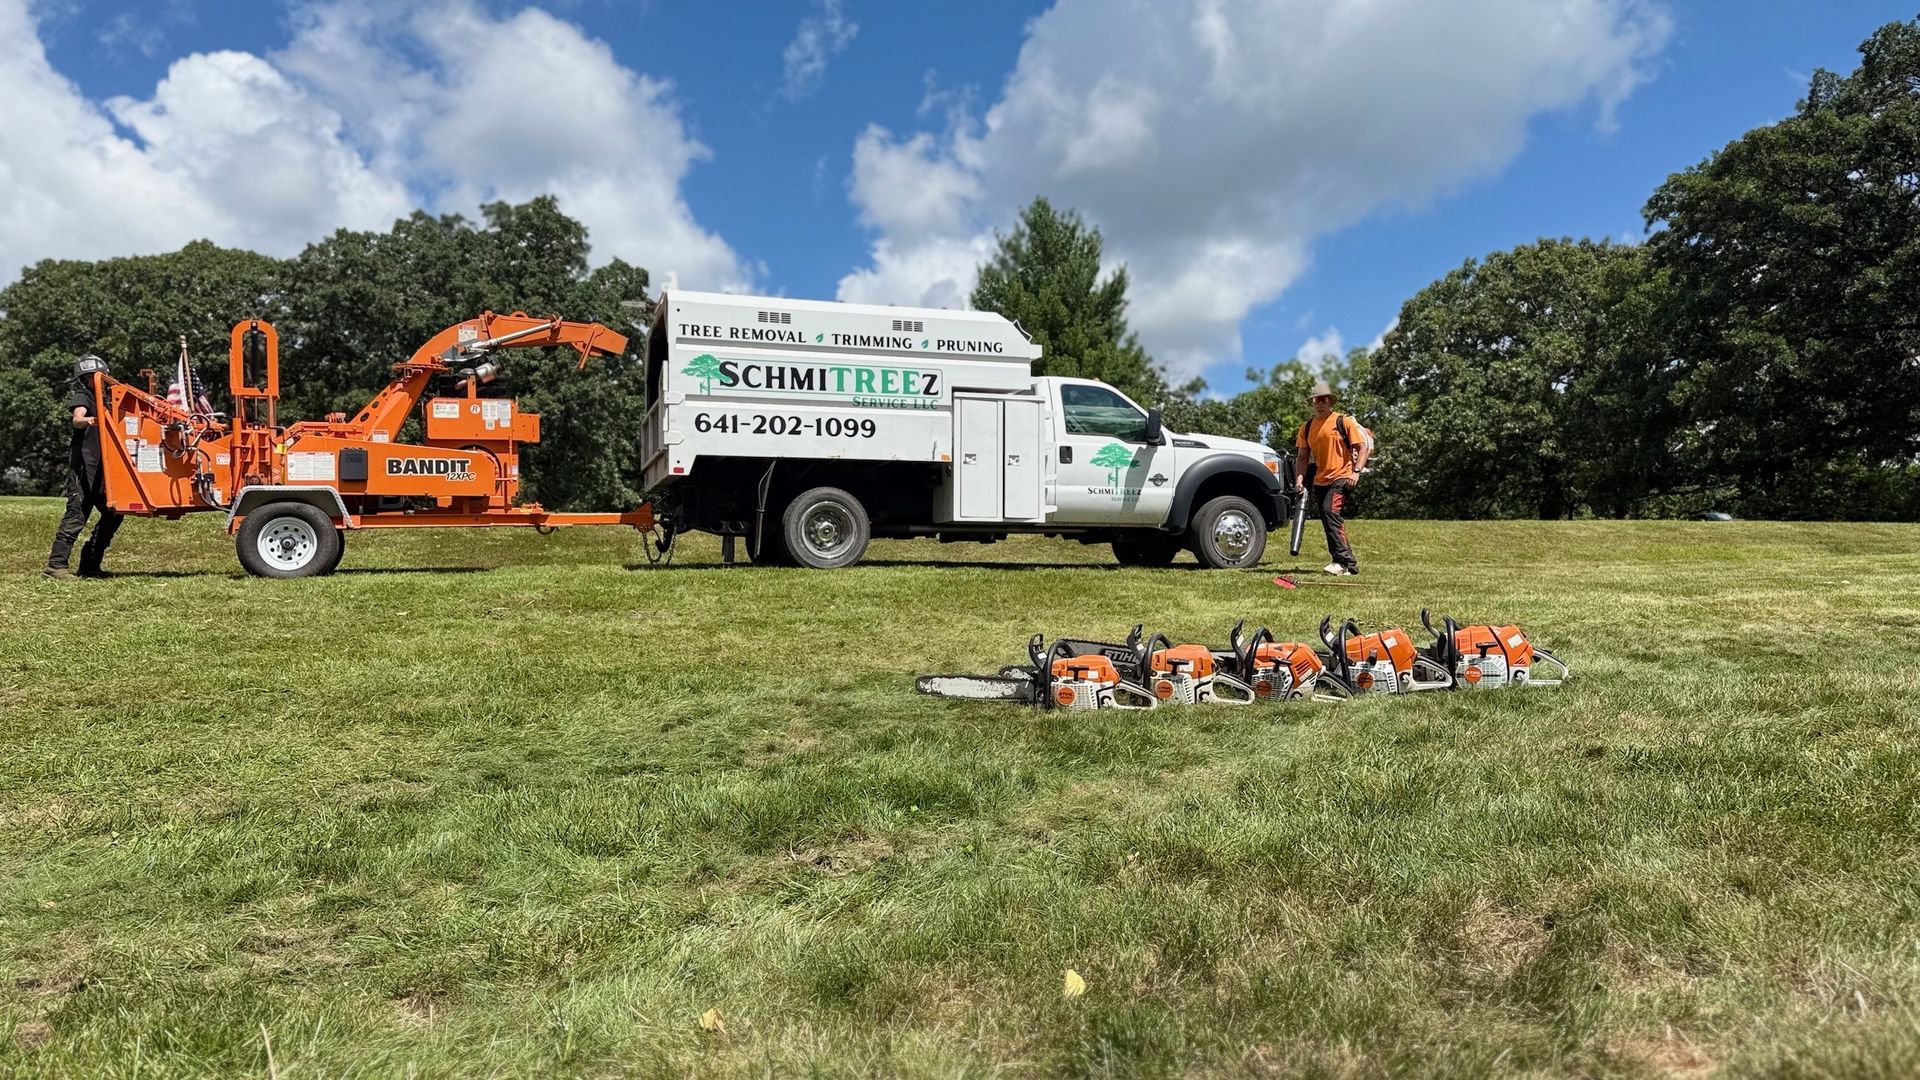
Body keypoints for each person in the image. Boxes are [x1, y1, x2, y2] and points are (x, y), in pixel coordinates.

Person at [45, 354, 124, 580]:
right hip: (84, 469)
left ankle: (90, 564)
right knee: (76, 515)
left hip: (102, 471)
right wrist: (87, 420)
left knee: (114, 514)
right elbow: (77, 418)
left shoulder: (107, 400)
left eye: (99, 375)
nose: (95, 379)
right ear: (84, 379)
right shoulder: (84, 396)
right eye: (90, 376)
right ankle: (55, 566)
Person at [1293, 380, 1368, 576]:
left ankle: (1341, 562)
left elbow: (1362, 448)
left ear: (1330, 401)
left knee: (1330, 513)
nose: (1320, 402)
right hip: (1320, 480)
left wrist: (1356, 471)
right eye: (1316, 399)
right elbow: (1302, 456)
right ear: (1312, 403)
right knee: (1329, 519)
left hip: (1342, 476)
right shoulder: (1307, 427)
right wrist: (1299, 480)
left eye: (1324, 399)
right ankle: (1348, 564)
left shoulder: (1343, 421)